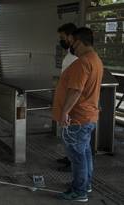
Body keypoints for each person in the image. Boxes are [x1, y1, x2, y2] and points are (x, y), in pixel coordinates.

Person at [52, 27, 103, 202]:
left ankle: (79, 190)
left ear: (79, 42)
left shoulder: (82, 63)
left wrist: (65, 112)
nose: (71, 46)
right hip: (88, 116)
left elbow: (75, 90)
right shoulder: (95, 59)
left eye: (73, 43)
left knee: (77, 156)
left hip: (77, 118)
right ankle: (85, 184)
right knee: (85, 153)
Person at [56, 23, 78, 172]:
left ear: (70, 36)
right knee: (67, 132)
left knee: (74, 133)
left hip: (73, 100)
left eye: (63, 37)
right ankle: (69, 156)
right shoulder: (70, 52)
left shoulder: (78, 56)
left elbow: (77, 86)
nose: (61, 41)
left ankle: (73, 162)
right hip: (66, 95)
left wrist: (66, 108)